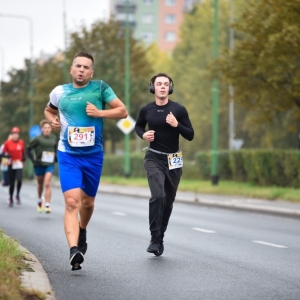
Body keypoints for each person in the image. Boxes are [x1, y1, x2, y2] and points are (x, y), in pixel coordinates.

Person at [44, 51, 128, 271]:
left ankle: (82, 230)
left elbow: (122, 111)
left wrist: (100, 113)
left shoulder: (100, 88)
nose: (81, 70)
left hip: (93, 155)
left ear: (92, 72)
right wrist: (53, 121)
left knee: (87, 203)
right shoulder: (59, 92)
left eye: (86, 67)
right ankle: (74, 251)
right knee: (72, 202)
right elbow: (49, 110)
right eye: (78, 66)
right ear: (71, 69)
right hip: (68, 154)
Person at [135, 73, 194, 256]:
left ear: (170, 88)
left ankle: (160, 238)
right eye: (159, 84)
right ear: (153, 87)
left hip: (174, 160)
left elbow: (190, 135)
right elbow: (138, 126)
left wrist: (176, 124)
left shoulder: (179, 109)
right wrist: (143, 135)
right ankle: (154, 237)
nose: (162, 87)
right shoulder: (147, 109)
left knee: (168, 202)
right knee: (158, 195)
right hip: (154, 158)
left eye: (165, 84)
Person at [26, 119, 57, 213]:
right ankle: (40, 200)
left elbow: (55, 148)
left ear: (51, 129)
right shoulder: (37, 139)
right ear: (42, 129)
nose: (47, 129)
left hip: (49, 164)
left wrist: (55, 156)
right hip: (39, 164)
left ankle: (47, 204)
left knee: (47, 183)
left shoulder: (53, 138)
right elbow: (28, 149)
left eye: (48, 128)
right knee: (40, 185)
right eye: (45, 128)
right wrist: (33, 161)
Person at [1, 127, 26, 207]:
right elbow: (3, 153)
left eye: (17, 134)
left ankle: (17, 195)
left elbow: (23, 152)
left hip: (18, 164)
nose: (15, 136)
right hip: (10, 164)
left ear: (18, 135)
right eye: (14, 134)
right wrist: (7, 156)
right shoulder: (7, 143)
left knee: (19, 180)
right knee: (11, 183)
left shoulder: (21, 142)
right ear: (12, 135)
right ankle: (11, 197)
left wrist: (23, 159)